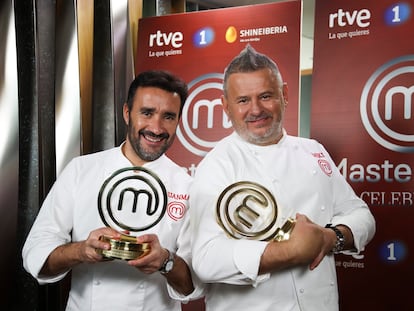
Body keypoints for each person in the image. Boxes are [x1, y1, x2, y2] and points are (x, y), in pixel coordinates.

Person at [189, 44, 376, 311]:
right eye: (243, 100)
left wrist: (329, 238)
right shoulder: (217, 166)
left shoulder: (313, 150)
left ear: (285, 94)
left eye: (266, 96)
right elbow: (206, 260)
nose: (255, 109)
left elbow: (360, 214)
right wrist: (291, 251)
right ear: (226, 107)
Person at [22, 70, 202, 310]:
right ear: (127, 113)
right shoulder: (81, 170)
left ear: (178, 121)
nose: (156, 127)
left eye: (168, 116)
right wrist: (81, 250)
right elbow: (36, 254)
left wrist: (165, 261)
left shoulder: (188, 187)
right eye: (147, 113)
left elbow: (193, 285)